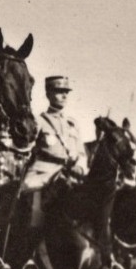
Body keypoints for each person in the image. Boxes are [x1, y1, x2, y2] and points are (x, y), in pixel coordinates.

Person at [23, 76, 88, 224]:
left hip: (70, 175)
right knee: (35, 217)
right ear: (48, 94)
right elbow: (27, 148)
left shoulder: (72, 123)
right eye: (59, 91)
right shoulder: (38, 121)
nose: (64, 95)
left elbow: (81, 153)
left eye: (66, 92)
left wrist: (80, 167)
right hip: (43, 174)